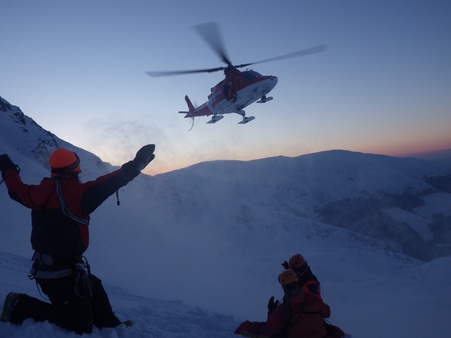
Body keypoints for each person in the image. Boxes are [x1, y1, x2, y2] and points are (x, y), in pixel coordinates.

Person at [0, 144, 155, 334]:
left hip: (51, 269)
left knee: (93, 286)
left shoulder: (38, 192)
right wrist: (136, 165)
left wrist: (6, 166)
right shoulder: (76, 195)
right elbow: (107, 184)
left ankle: (110, 325)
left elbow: (16, 189)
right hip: (60, 274)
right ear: (74, 169)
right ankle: (19, 305)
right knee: (79, 324)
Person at [235, 270, 330, 338]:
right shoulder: (313, 299)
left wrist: (271, 311)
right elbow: (327, 313)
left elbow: (270, 329)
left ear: (284, 287)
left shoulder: (284, 308)